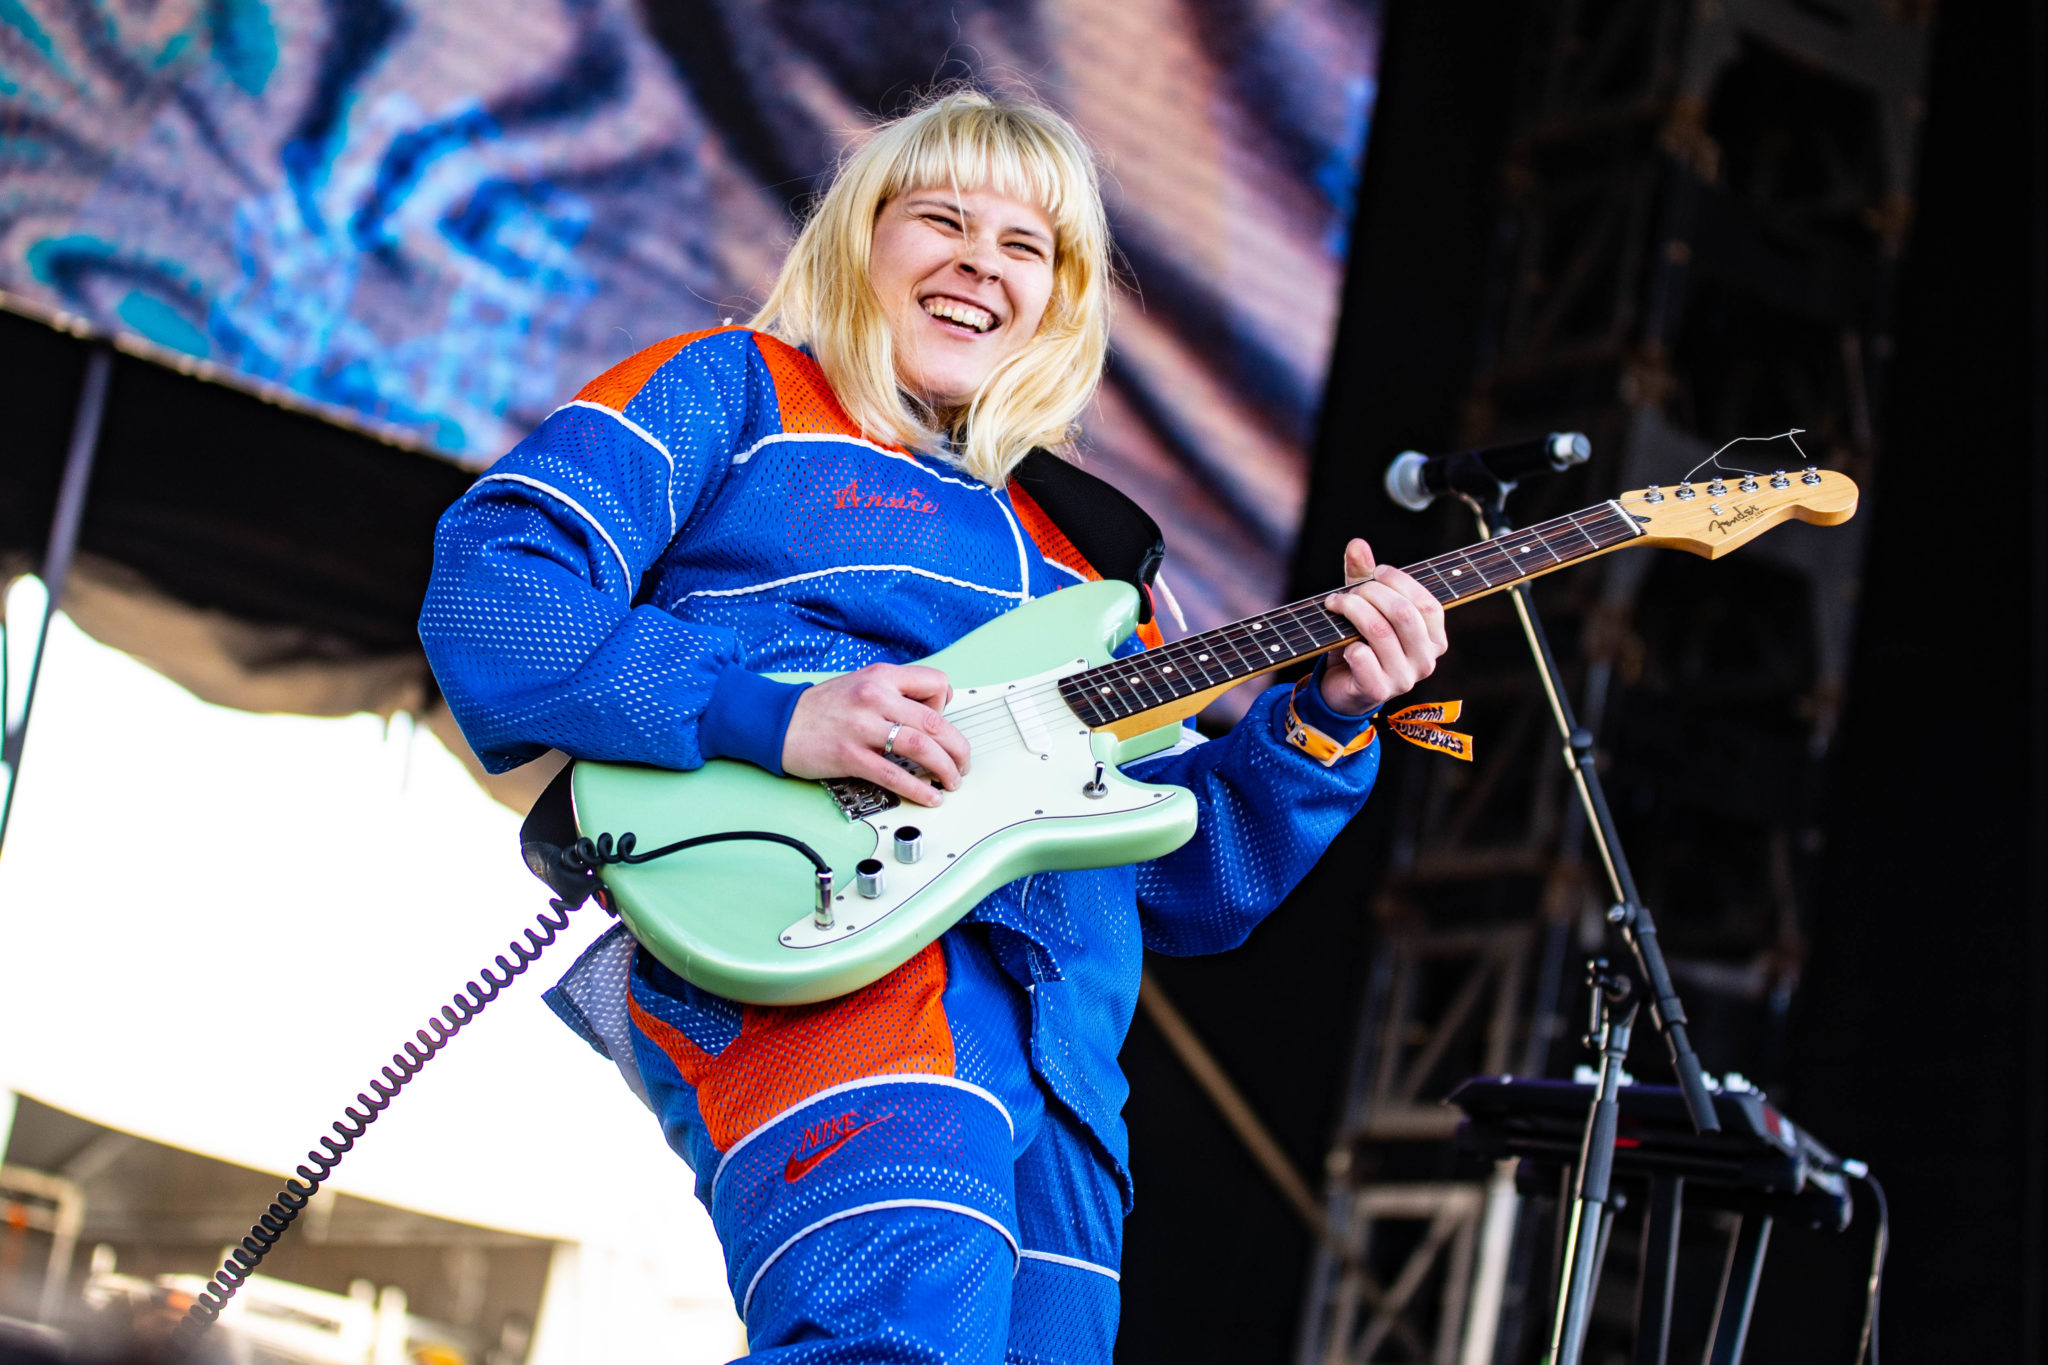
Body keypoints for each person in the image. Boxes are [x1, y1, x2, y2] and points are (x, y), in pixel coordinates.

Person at [419, 88, 1446, 1364]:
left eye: (1024, 246)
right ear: (860, 238)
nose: (979, 264)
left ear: (1060, 299)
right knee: (896, 1345)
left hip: (1062, 1056)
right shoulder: (738, 388)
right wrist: (771, 715)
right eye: (941, 221)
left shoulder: (1094, 566)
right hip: (821, 940)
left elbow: (1186, 878)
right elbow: (496, 588)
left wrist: (1325, 721)